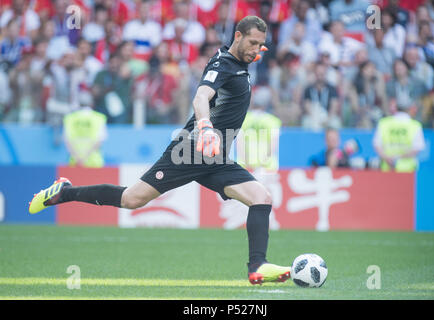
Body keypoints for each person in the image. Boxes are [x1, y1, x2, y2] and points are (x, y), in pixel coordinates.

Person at [28, 16, 291, 285]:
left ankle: (258, 266)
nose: (256, 49)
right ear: (237, 36)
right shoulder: (223, 65)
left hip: (216, 157)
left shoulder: (238, 63)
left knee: (261, 197)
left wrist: (250, 53)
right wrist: (205, 127)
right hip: (191, 150)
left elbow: (236, 71)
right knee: (132, 199)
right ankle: (64, 192)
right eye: (252, 42)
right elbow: (201, 96)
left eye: (260, 44)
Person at [373, 102, 425, 172]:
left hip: (387, 168)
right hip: (408, 170)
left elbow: (377, 145)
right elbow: (417, 148)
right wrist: (398, 157)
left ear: (396, 108)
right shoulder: (415, 125)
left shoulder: (384, 123)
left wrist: (387, 158)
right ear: (409, 109)